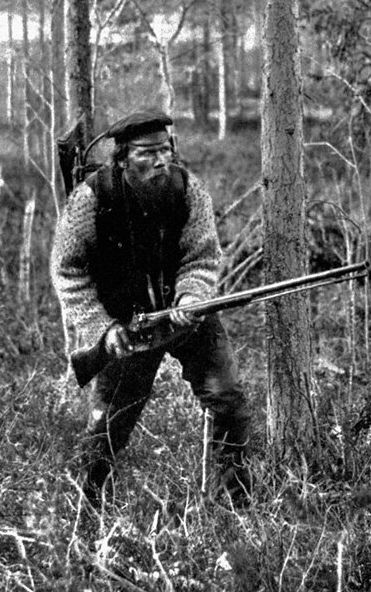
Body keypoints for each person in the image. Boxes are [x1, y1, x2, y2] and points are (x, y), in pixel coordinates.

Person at [51, 109, 252, 506]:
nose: (161, 160)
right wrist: (103, 330)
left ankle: (233, 507)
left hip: (187, 317)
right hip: (126, 329)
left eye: (165, 150)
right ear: (123, 158)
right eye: (147, 153)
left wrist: (191, 297)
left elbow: (202, 256)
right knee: (107, 428)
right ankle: (83, 513)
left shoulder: (187, 188)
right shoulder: (91, 200)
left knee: (228, 401)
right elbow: (68, 271)